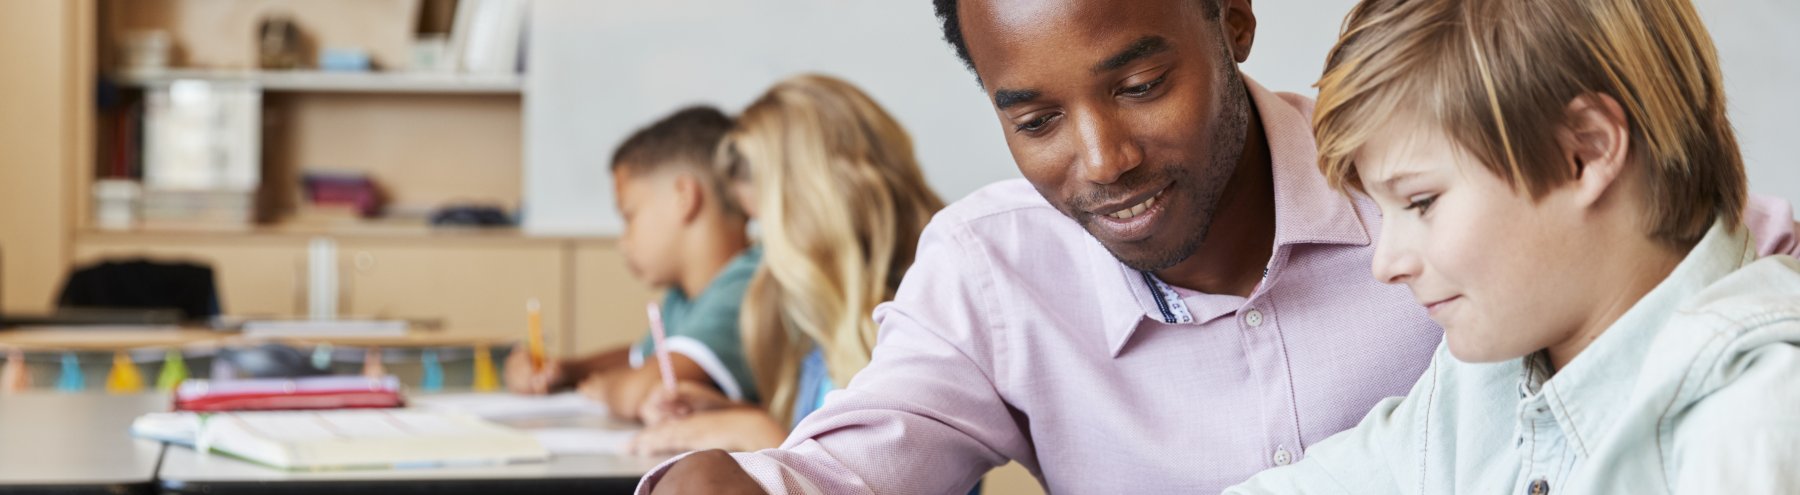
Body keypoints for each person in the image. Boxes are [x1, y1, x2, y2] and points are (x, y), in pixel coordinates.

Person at [641, 1, 1800, 493]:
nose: (1101, 158)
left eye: (1142, 85)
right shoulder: (1475, 385)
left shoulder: (1745, 406)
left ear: (1233, 22)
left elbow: (1699, 242)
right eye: (1034, 119)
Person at [1227, 0, 1800, 492]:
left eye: (1421, 201)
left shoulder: (1757, 418)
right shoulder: (1480, 381)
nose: (1386, 263)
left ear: (1586, 151)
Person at [628, 73, 946, 455]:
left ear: (814, 205)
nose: (763, 250)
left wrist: (756, 433)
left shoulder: (916, 324)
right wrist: (734, 415)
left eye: (768, 224)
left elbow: (881, 473)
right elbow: (831, 440)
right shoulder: (827, 327)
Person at [505, 106, 762, 421]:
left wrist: (608, 389)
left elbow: (642, 390)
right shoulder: (687, 297)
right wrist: (563, 370)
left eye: (629, 216)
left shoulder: (747, 286)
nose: (623, 241)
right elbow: (641, 359)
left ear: (684, 197)